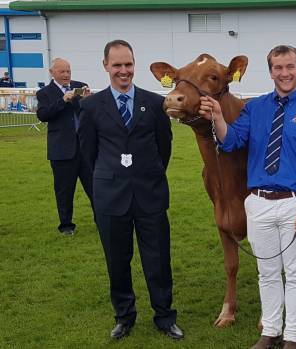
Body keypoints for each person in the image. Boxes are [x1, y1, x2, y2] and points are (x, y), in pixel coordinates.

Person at [199, 45, 296, 349]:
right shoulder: (254, 108)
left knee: (295, 275)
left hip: (295, 201)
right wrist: (218, 117)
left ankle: (292, 338)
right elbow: (232, 141)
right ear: (270, 71)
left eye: (290, 67)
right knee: (267, 273)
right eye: (278, 68)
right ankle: (270, 332)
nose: (284, 73)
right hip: (257, 201)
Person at [78, 40, 183, 340]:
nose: (124, 71)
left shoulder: (154, 103)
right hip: (111, 196)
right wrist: (111, 176)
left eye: (128, 64)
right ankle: (124, 316)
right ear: (106, 66)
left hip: (149, 192)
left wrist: (146, 173)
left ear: (134, 65)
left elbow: (164, 148)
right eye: (117, 65)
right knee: (117, 260)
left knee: (158, 259)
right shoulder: (90, 106)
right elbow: (89, 153)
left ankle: (164, 316)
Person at [36, 58, 94, 235]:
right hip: (62, 151)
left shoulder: (80, 86)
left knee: (95, 187)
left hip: (85, 148)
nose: (67, 75)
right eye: (62, 71)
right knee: (64, 191)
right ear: (52, 73)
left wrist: (88, 100)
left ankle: (104, 220)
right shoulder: (44, 93)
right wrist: (63, 100)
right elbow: (43, 115)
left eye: (68, 71)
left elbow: (89, 113)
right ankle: (66, 226)